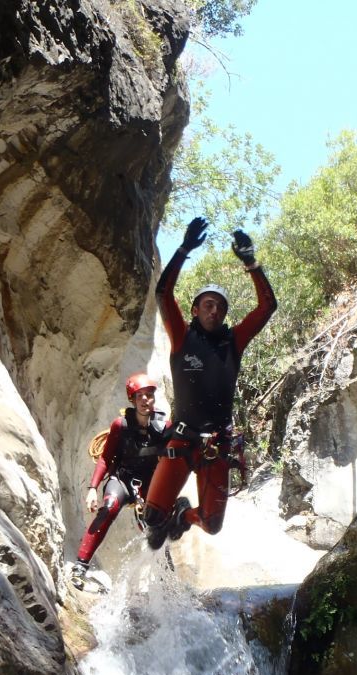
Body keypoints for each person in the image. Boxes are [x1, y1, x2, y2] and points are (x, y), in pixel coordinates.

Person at [142, 216, 277, 550]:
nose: (214, 311)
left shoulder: (233, 342)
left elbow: (267, 306)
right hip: (182, 440)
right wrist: (185, 248)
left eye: (220, 307)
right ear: (196, 309)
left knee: (212, 525)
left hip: (217, 445)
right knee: (152, 519)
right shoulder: (182, 336)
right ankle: (169, 516)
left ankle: (184, 515)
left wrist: (251, 262)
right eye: (208, 305)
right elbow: (163, 292)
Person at [75, 372, 169, 586]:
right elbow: (106, 458)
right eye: (140, 396)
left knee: (157, 526)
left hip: (149, 484)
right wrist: (92, 488)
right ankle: (80, 566)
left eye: (149, 395)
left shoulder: (165, 425)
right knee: (108, 508)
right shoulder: (121, 425)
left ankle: (166, 578)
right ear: (133, 400)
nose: (145, 400)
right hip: (123, 479)